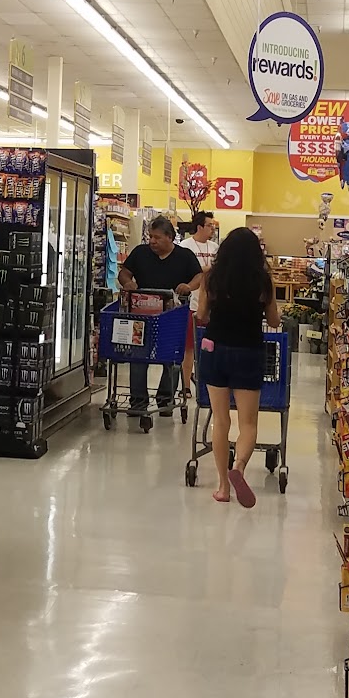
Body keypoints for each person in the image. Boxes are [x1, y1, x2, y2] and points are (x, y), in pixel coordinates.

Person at [197, 223, 279, 507]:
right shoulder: (263, 281)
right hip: (249, 351)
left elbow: (201, 314)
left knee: (221, 421)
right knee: (248, 423)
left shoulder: (211, 277)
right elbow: (274, 321)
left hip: (216, 350)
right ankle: (240, 467)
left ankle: (223, 487)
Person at [117, 213, 201, 413]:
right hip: (142, 315)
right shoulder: (140, 253)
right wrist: (127, 282)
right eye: (150, 237)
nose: (152, 241)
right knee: (138, 358)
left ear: (170, 237)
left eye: (157, 237)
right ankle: (138, 401)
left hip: (172, 317)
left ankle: (165, 400)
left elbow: (199, 276)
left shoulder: (185, 256)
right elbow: (124, 272)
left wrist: (188, 286)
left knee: (171, 359)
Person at [178, 211, 217, 403]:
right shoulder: (185, 247)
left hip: (211, 306)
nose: (212, 229)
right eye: (209, 225)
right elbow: (188, 272)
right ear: (200, 226)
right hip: (191, 304)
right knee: (188, 348)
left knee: (209, 347)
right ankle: (185, 385)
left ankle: (206, 385)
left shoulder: (215, 248)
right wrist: (208, 269)